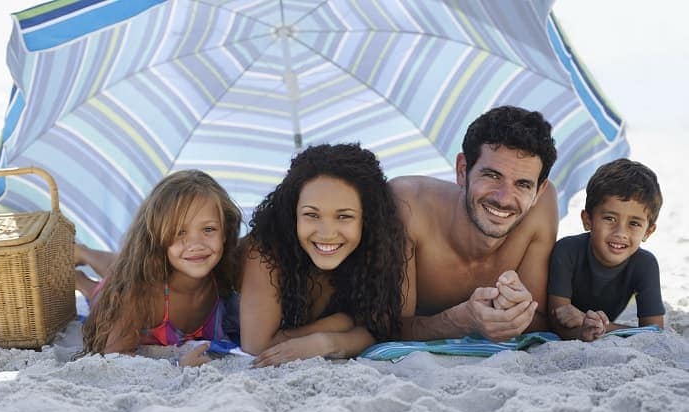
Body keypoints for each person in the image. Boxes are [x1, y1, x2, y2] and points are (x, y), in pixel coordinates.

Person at [390, 105, 559, 342]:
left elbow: (541, 321)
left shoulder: (542, 208)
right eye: (491, 175)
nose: (503, 199)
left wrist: (518, 312)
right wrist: (461, 320)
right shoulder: (407, 205)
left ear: (539, 190)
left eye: (523, 185)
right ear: (462, 170)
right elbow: (385, 327)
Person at [240, 143, 406, 367]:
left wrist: (326, 343)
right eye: (311, 215)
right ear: (293, 214)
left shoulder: (375, 249)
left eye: (344, 216)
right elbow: (257, 348)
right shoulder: (266, 252)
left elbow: (381, 328)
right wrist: (342, 322)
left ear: (367, 219)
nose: (327, 233)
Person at [79, 170, 243, 367]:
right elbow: (113, 358)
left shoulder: (223, 275)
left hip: (139, 271)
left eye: (208, 229)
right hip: (126, 289)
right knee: (106, 286)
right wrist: (176, 366)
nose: (196, 243)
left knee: (124, 265)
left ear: (225, 231)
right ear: (156, 238)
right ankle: (82, 272)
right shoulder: (141, 295)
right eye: (179, 232)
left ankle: (85, 256)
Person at [548, 159, 664, 341]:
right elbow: (557, 321)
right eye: (610, 218)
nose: (620, 233)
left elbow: (655, 331)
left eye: (634, 223)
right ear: (588, 220)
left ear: (648, 231)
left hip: (596, 327)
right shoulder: (567, 251)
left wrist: (597, 325)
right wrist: (584, 330)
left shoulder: (645, 265)